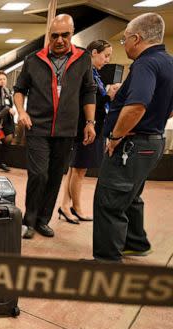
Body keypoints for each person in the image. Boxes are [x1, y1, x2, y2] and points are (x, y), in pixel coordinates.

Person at [92, 13, 173, 262]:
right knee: (131, 194)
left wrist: (116, 136)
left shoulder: (145, 64)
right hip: (154, 141)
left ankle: (106, 262)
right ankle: (135, 243)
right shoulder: (169, 62)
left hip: (132, 143)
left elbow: (137, 105)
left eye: (124, 39)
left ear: (136, 38)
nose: (124, 45)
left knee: (109, 199)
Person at [13, 14, 96, 239]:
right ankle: (28, 221)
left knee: (55, 176)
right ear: (49, 35)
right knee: (38, 174)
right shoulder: (33, 59)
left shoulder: (83, 59)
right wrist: (22, 112)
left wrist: (90, 122)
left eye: (65, 35)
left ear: (72, 33)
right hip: (38, 128)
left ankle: (43, 220)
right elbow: (19, 89)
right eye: (55, 35)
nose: (59, 40)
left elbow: (89, 91)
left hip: (67, 130)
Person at [59, 40, 121, 224]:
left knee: (74, 169)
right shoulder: (86, 74)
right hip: (87, 127)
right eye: (106, 55)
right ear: (94, 52)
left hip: (90, 126)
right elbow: (87, 103)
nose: (107, 60)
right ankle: (76, 208)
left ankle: (64, 205)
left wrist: (107, 93)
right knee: (79, 170)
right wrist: (108, 96)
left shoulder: (93, 74)